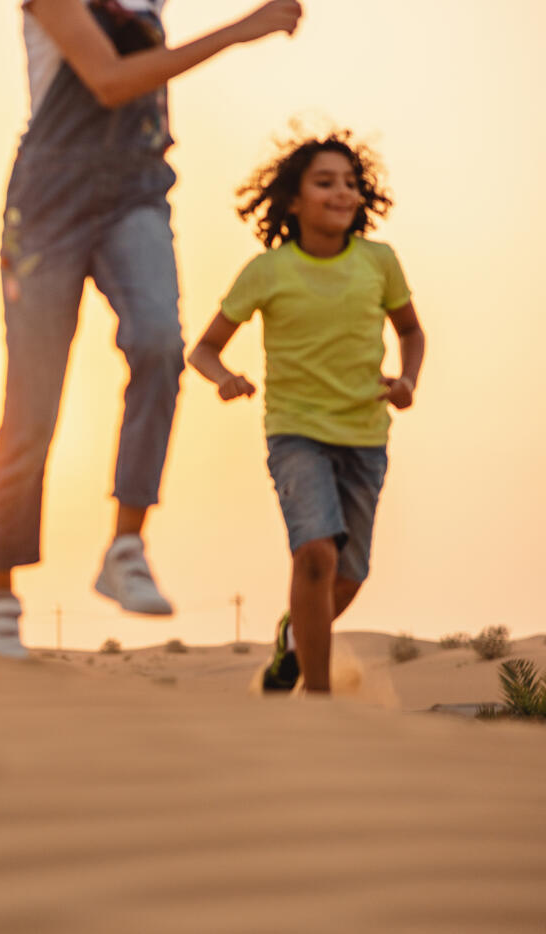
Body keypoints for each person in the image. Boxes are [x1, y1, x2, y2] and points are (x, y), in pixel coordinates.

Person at [0, 0, 304, 656]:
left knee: (159, 343)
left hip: (135, 194)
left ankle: (125, 545)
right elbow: (111, 79)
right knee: (33, 405)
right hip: (46, 206)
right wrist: (241, 29)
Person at [187, 130, 426, 694]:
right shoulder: (267, 271)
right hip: (295, 434)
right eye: (324, 182)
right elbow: (203, 348)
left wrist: (408, 380)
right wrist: (224, 379)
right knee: (315, 554)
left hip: (365, 436)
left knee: (347, 576)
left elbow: (412, 330)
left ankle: (291, 641)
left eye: (350, 183)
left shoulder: (379, 262)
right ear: (293, 200)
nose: (341, 193)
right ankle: (319, 704)